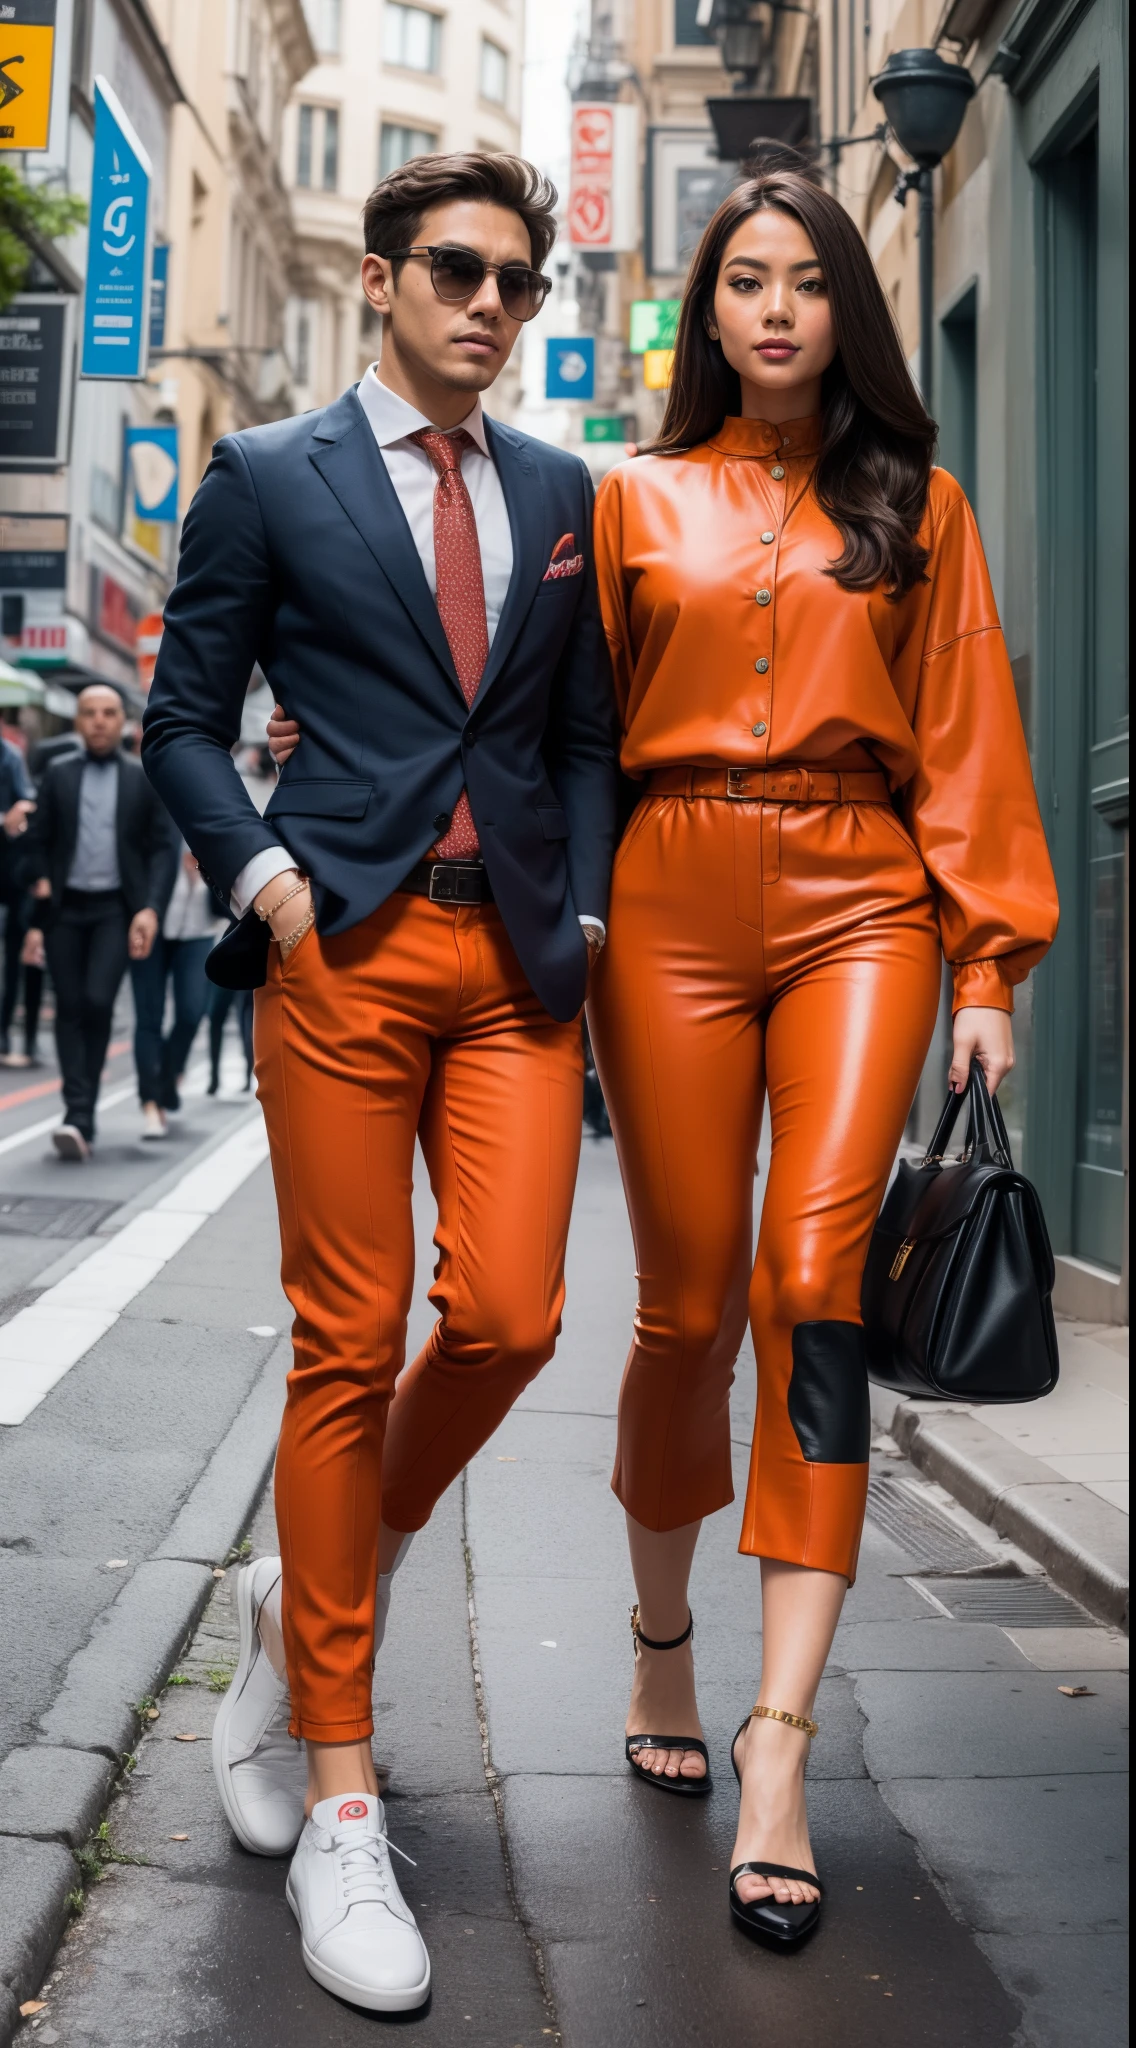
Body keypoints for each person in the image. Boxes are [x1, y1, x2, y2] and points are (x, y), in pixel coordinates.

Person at [141, 152, 616, 2013]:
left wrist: (566, 892)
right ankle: (343, 1786)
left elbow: (578, 737)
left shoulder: (562, 493)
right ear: (381, 277)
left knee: (507, 1312)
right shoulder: (268, 475)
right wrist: (263, 877)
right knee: (346, 1337)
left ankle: (298, 1597)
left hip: (510, 966)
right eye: (458, 270)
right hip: (336, 942)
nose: (492, 302)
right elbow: (187, 716)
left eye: (520, 278)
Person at [585, 147, 1058, 1950]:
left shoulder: (918, 508)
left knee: (814, 1282)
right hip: (672, 894)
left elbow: (964, 735)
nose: (773, 307)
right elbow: (566, 732)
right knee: (683, 1303)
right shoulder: (629, 501)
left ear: (843, 309)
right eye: (744, 279)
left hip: (864, 895)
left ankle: (779, 1741)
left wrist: (989, 965)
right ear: (707, 310)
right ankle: (660, 1638)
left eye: (803, 279)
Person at [26, 684, 178, 1160]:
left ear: (123, 721)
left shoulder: (142, 780)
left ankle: (82, 1110)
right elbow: (38, 840)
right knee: (69, 1004)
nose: (98, 721)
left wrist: (151, 907)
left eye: (108, 713)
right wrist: (39, 886)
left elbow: (161, 848)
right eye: (89, 713)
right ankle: (78, 1115)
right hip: (64, 911)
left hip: (116, 909)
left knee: (96, 1001)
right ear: (77, 721)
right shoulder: (58, 775)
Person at [131, 843, 226, 1138]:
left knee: (192, 1012)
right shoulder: (159, 827)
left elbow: (229, 901)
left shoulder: (210, 830)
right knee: (149, 1018)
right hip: (153, 929)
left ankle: (168, 1078)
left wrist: (203, 867)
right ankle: (151, 1104)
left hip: (198, 934)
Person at [0, 726, 38, 1066]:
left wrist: (17, 818)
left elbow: (26, 807)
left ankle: (7, 1034)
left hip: (10, 877)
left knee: (14, 957)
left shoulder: (9, 756)